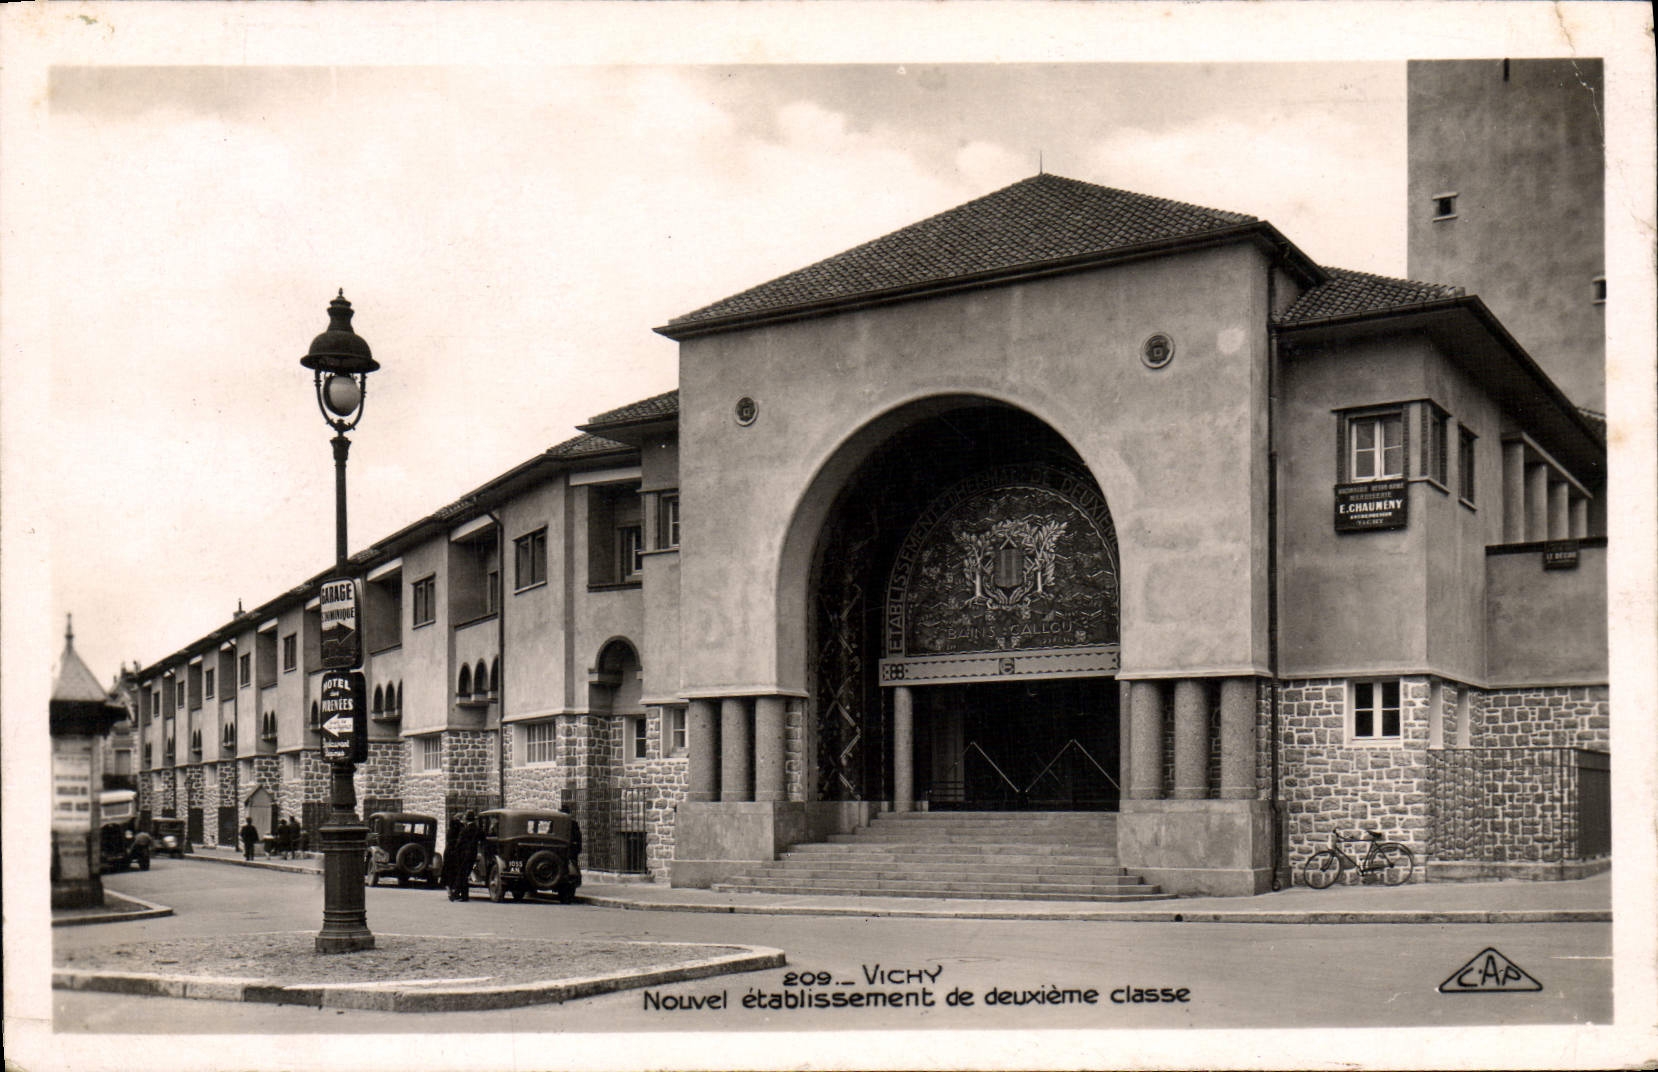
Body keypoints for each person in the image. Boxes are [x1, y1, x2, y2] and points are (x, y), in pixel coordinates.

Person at [447, 810, 481, 902]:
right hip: (473, 855)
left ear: (467, 819)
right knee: (464, 875)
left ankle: (457, 894)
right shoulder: (477, 829)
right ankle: (463, 895)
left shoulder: (465, 830)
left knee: (461, 875)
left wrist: (455, 853)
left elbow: (459, 843)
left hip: (463, 855)